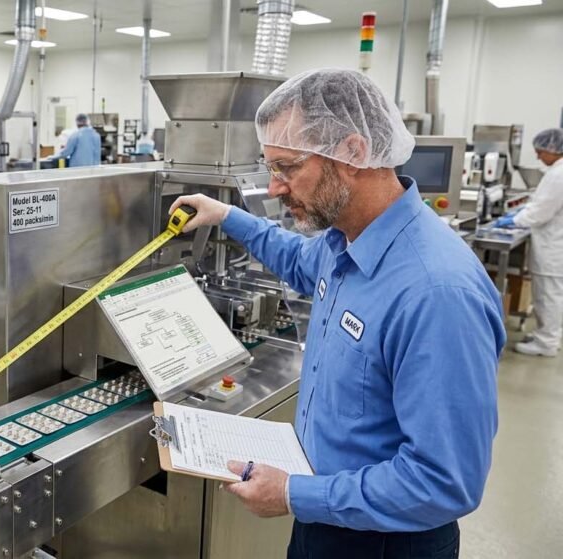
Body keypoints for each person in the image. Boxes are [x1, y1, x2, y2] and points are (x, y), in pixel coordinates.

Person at [170, 69, 504, 559]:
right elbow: (299, 261)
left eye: (287, 168)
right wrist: (225, 216)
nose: (275, 187)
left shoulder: (437, 293)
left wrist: (292, 494)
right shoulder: (346, 239)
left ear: (351, 152)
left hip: (386, 542)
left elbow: (443, 482)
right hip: (325, 520)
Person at [494, 128, 563, 357]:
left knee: (548, 295)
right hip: (553, 243)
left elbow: (541, 212)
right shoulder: (558, 171)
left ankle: (546, 343)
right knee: (550, 294)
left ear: (554, 150)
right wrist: (526, 209)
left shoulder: (558, 174)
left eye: (540, 151)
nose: (538, 156)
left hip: (553, 248)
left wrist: (514, 219)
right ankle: (548, 334)